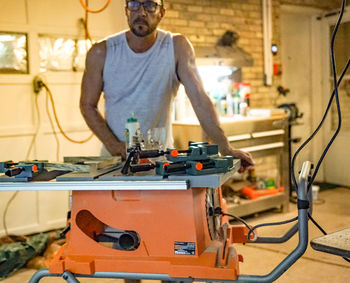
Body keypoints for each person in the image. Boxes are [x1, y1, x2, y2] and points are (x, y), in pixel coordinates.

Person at [80, 0, 254, 172]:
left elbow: (199, 99)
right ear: (126, 10)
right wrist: (115, 146)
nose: (141, 12)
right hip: (115, 164)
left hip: (162, 165)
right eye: (134, 4)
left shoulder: (176, 48)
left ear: (161, 13)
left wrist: (225, 148)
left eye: (150, 5)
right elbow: (87, 105)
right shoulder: (101, 52)